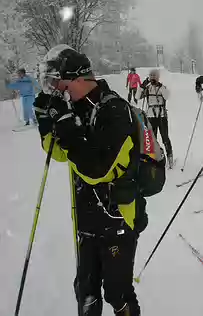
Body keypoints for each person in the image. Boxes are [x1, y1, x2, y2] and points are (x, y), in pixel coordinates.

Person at [33, 45, 147, 315]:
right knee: (86, 292)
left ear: (77, 78)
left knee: (118, 294)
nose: (55, 90)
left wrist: (67, 127)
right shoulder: (79, 108)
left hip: (117, 218)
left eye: (57, 83)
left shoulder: (115, 110)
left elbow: (98, 169)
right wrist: (47, 125)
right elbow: (61, 153)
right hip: (86, 218)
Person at [136, 69, 174, 169]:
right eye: (151, 76)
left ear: (158, 77)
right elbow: (137, 96)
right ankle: (153, 157)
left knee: (165, 137)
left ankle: (170, 157)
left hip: (161, 115)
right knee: (152, 138)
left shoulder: (162, 87)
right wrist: (141, 86)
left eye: (154, 76)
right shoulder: (147, 88)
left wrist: (160, 87)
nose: (152, 78)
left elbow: (167, 96)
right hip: (150, 115)